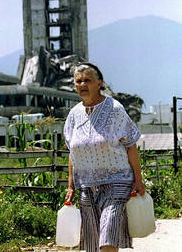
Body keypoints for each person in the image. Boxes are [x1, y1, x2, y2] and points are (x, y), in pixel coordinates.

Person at [63, 63, 146, 252]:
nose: (82, 84)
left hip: (117, 182)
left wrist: (138, 179)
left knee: (108, 238)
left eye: (88, 80)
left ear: (99, 83)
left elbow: (130, 145)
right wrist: (70, 185)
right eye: (78, 81)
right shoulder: (74, 115)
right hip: (86, 186)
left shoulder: (115, 109)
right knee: (93, 244)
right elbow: (72, 152)